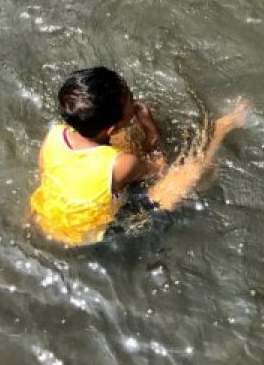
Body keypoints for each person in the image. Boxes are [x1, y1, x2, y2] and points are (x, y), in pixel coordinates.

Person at [29, 67, 247, 246]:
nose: (134, 102)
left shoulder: (55, 134)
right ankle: (222, 128)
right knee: (185, 176)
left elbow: (47, 175)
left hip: (44, 218)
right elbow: (161, 166)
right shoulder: (120, 163)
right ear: (111, 129)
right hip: (85, 235)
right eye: (130, 100)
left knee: (124, 150)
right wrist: (150, 126)